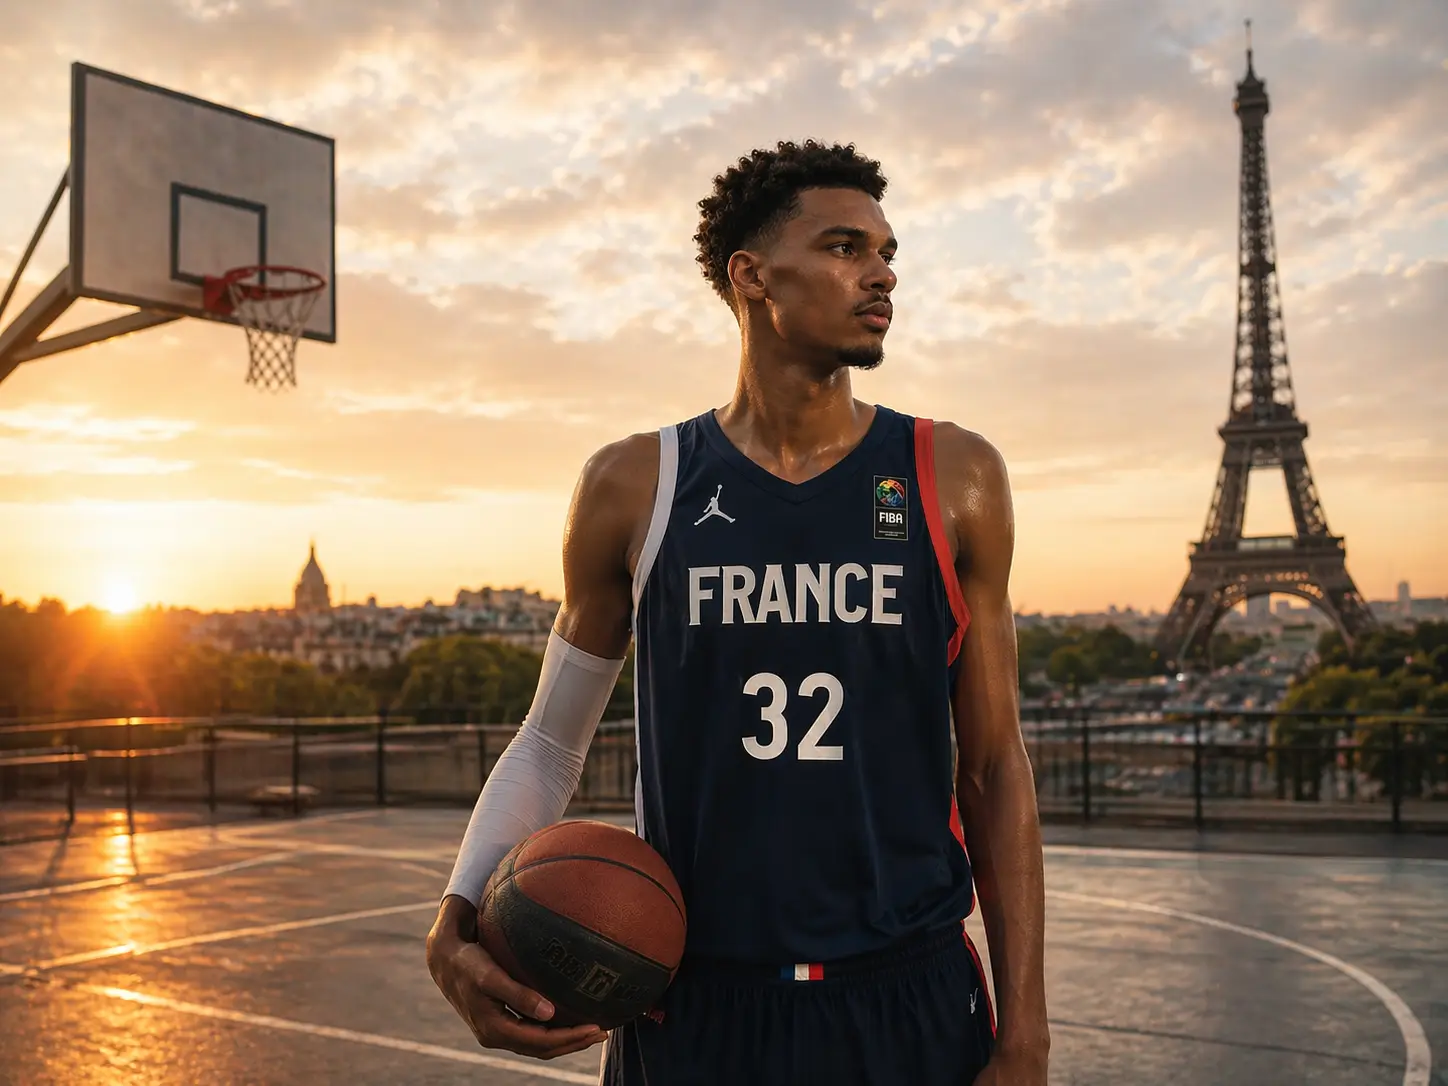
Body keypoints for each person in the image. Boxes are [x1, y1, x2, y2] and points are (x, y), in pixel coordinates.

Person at [426, 139, 1049, 1085]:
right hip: (692, 1000)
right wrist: (461, 906)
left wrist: (1027, 1031)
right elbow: (552, 743)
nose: (880, 273)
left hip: (907, 989)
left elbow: (996, 767)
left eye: (887, 252)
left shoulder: (954, 474)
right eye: (845, 247)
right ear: (752, 275)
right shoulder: (636, 483)